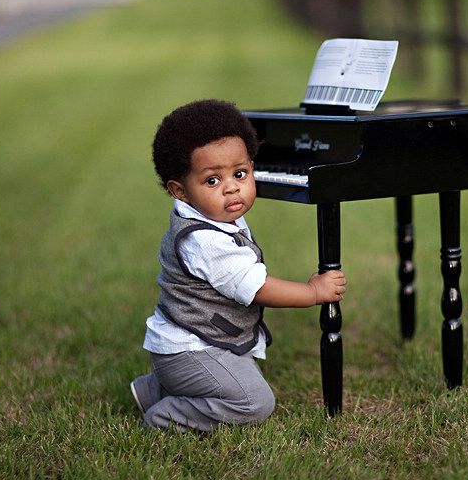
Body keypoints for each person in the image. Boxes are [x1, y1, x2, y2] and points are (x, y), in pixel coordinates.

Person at [130, 99, 347, 432]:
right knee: (254, 402)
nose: (232, 187)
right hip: (189, 349)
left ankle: (154, 389)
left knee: (241, 378)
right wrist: (313, 291)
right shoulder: (204, 241)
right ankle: (165, 416)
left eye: (240, 173)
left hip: (197, 342)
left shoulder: (215, 216)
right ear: (180, 191)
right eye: (212, 181)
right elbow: (258, 288)